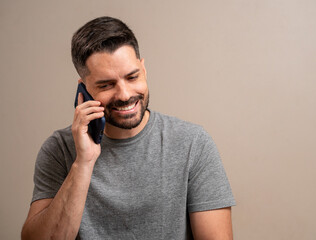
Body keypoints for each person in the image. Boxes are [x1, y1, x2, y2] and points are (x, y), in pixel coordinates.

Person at [21, 16, 236, 240]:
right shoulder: (59, 149)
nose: (125, 94)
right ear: (83, 90)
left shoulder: (193, 143)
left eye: (132, 77)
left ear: (144, 69)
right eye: (106, 84)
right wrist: (83, 162)